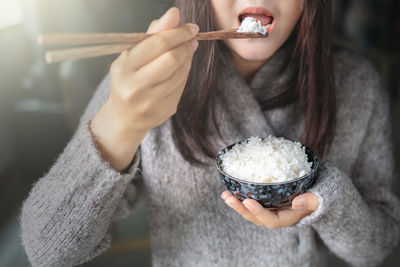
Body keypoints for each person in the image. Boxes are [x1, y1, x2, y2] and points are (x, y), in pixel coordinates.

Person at [20, 1, 400, 266]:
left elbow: (377, 248)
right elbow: (48, 250)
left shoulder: (356, 84)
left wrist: (324, 199)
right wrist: (120, 123)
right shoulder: (147, 81)